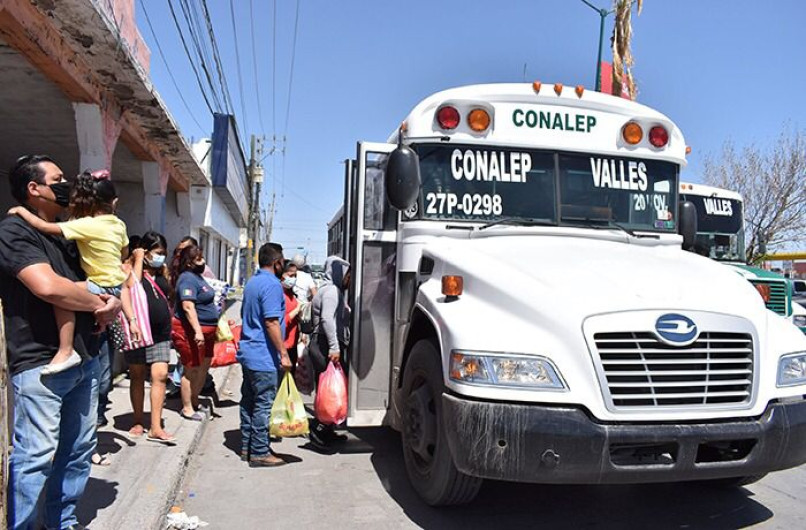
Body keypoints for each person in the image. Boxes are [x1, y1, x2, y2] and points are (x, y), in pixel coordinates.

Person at [0, 154, 121, 530]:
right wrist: (102, 302)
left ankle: (61, 522)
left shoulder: (72, 234)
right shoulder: (15, 231)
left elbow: (98, 277)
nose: (66, 185)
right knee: (36, 455)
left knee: (78, 451)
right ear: (33, 189)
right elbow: (49, 287)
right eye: (58, 179)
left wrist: (111, 300)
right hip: (41, 363)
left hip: (83, 359)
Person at [8, 169, 142, 375]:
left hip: (99, 283)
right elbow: (124, 251)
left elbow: (44, 227)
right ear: (113, 203)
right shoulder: (119, 225)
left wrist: (21, 211)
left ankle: (66, 348)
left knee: (64, 294)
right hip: (115, 284)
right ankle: (94, 327)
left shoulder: (86, 225)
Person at [237, 243, 292, 467]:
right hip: (263, 356)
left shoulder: (252, 282)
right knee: (263, 404)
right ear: (277, 262)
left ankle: (246, 446)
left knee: (249, 401)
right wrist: (283, 353)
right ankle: (259, 451)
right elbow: (271, 322)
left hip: (249, 353)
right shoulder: (271, 285)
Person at [125, 231, 176, 443]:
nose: (161, 257)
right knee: (137, 375)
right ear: (145, 252)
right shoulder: (129, 268)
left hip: (161, 332)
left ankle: (156, 426)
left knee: (161, 375)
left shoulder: (162, 272)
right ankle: (138, 419)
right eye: (157, 253)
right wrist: (137, 259)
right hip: (139, 332)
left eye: (163, 253)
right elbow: (132, 286)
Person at [171, 245, 220, 421]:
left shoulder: (198, 277)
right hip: (190, 332)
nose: (203, 262)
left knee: (203, 367)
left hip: (208, 331)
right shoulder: (187, 279)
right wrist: (198, 331)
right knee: (191, 369)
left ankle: (194, 400)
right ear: (189, 262)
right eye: (199, 259)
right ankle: (187, 408)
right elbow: (188, 306)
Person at [308, 255, 351, 447]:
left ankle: (327, 430)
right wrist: (334, 346)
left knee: (326, 389)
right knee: (327, 392)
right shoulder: (332, 291)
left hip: (321, 343)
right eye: (347, 275)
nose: (349, 279)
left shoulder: (326, 289)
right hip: (324, 344)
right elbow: (327, 319)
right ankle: (318, 431)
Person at [281, 260, 302, 369]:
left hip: (292, 343)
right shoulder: (278, 293)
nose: (293, 279)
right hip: (283, 346)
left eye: (295, 275)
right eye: (290, 275)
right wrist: (296, 310)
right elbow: (280, 321)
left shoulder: (291, 293)